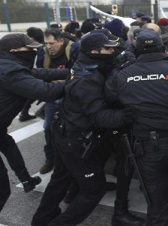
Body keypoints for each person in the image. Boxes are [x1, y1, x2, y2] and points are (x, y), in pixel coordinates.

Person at [106, 29, 168, 226]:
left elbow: (110, 96)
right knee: (167, 199)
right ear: (163, 47)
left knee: (160, 204)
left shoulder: (123, 73)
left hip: (147, 149)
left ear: (136, 49)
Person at [31, 32, 132, 226]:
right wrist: (132, 113)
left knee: (60, 180)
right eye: (108, 49)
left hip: (65, 132)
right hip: (75, 139)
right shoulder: (89, 79)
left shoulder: (86, 64)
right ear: (94, 52)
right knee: (94, 190)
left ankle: (41, 220)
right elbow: (100, 117)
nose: (112, 52)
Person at [0, 33, 68, 217]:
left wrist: (71, 72)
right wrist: (74, 82)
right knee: (1, 190)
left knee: (6, 142)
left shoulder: (8, 65)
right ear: (14, 51)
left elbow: (39, 73)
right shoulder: (10, 72)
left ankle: (26, 180)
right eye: (28, 48)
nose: (33, 51)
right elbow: (45, 91)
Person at [36, 28, 80, 174]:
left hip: (70, 95)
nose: (49, 47)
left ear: (61, 41)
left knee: (71, 130)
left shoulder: (74, 49)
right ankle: (50, 159)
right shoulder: (42, 52)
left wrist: (63, 80)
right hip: (53, 95)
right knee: (48, 128)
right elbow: (40, 72)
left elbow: (79, 72)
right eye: (46, 43)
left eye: (51, 43)